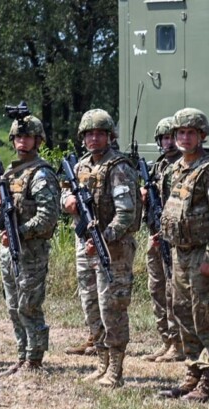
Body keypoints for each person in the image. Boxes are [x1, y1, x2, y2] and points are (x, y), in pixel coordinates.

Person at [157, 108, 209, 402]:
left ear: (202, 135)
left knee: (208, 315)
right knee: (182, 312)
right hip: (180, 252)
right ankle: (193, 371)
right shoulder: (175, 168)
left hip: (203, 253)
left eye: (191, 133)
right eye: (180, 133)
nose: (185, 138)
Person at [61, 109, 140, 387]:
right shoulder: (81, 166)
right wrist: (67, 201)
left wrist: (104, 237)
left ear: (109, 136)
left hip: (113, 248)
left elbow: (126, 214)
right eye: (89, 133)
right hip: (86, 245)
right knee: (90, 303)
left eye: (100, 133)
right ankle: (101, 362)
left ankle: (115, 369)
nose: (94, 138)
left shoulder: (119, 166)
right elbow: (65, 191)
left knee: (112, 306)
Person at [0, 113, 60, 376]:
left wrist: (19, 232)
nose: (22, 141)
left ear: (38, 140)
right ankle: (22, 355)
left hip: (31, 252)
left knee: (28, 305)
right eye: (18, 136)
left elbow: (47, 219)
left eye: (27, 137)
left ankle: (35, 359)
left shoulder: (40, 174)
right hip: (8, 250)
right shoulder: (9, 172)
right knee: (12, 304)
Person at [141, 116, 185, 363]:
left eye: (172, 138)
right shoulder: (158, 167)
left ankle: (178, 342)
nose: (168, 143)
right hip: (154, 233)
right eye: (164, 138)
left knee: (172, 290)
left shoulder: (182, 166)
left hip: (171, 236)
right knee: (156, 287)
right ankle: (166, 339)